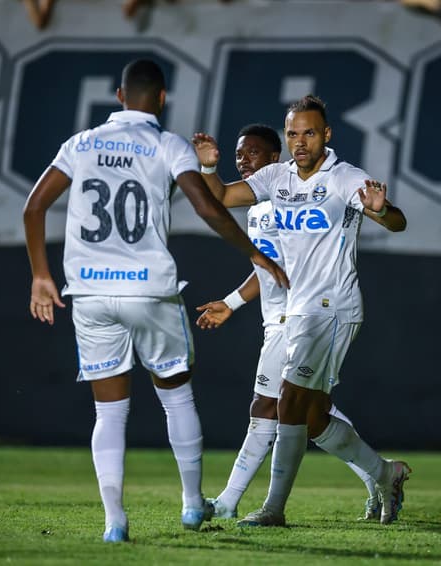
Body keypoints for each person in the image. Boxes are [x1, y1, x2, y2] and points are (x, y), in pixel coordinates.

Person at [23, 59, 288, 543]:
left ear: (119, 96)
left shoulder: (80, 145)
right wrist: (255, 254)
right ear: (161, 98)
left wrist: (41, 275)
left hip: (90, 291)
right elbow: (209, 207)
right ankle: (191, 504)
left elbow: (35, 205)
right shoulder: (168, 146)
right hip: (149, 289)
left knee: (109, 413)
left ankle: (114, 523)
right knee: (177, 396)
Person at [192, 95, 411, 527]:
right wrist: (207, 166)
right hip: (298, 312)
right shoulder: (277, 177)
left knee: (287, 404)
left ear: (326, 134)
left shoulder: (345, 177)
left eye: (309, 133)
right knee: (312, 418)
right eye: (293, 133)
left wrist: (380, 210)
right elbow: (218, 196)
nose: (300, 141)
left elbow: (397, 221)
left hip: (332, 307)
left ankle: (272, 509)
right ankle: (386, 473)